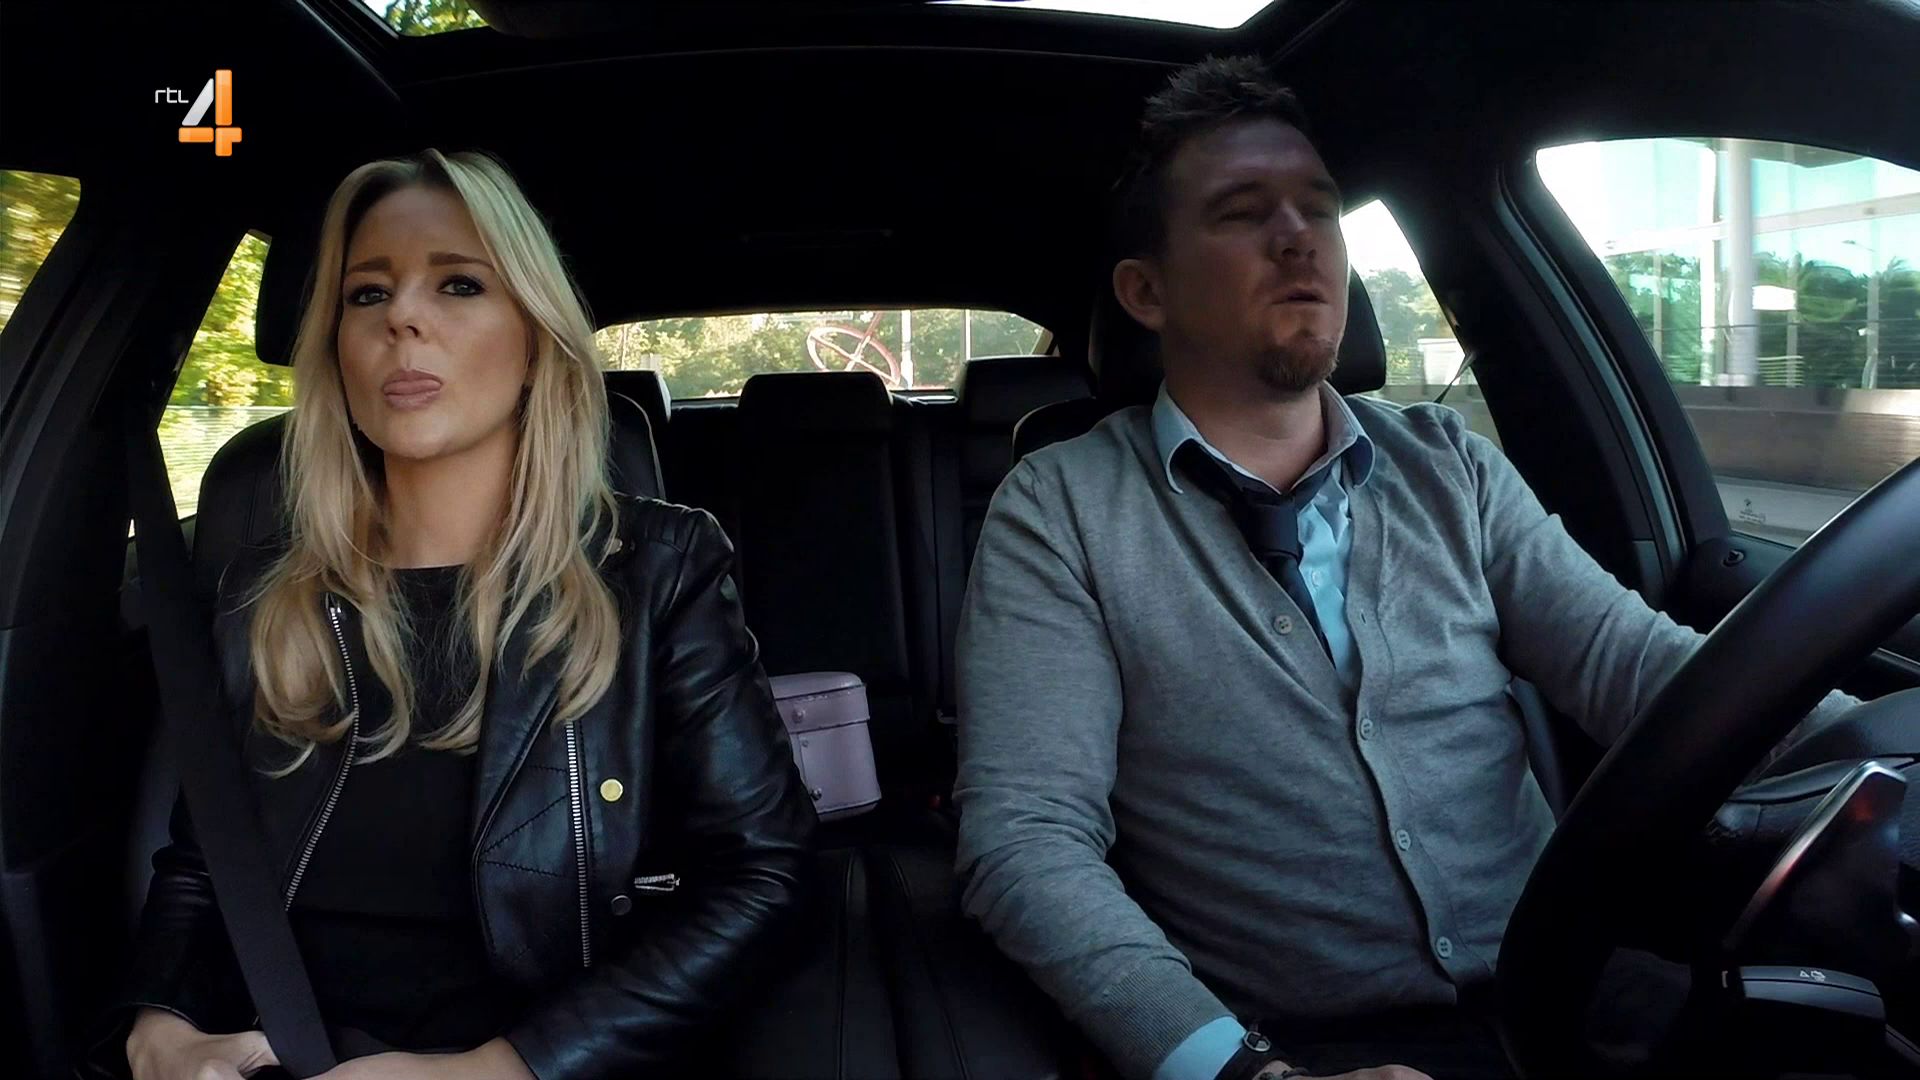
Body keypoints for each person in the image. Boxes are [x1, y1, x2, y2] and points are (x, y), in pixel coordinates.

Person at [952, 57, 1859, 1080]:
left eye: (1320, 209)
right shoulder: (1059, 509)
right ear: (1145, 292)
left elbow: (1639, 668)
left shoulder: (1449, 464)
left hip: (1573, 984)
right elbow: (1028, 838)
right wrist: (1240, 1072)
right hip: (1304, 1048)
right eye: (1243, 213)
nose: (1298, 238)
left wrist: (1867, 744)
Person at [107, 149, 816, 1079]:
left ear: (535, 339)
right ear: (336, 348)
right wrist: (159, 1027)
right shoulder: (264, 595)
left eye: (458, 284)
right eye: (367, 294)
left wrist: (500, 1068)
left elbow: (765, 875)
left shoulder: (657, 571)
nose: (401, 317)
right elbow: (206, 862)